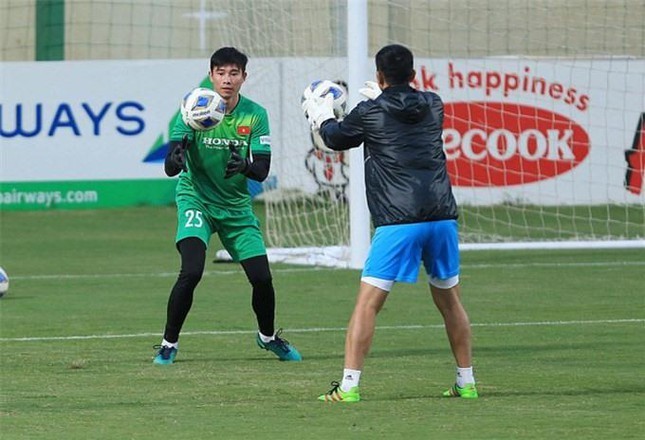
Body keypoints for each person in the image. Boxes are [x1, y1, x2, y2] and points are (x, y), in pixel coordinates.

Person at [301, 44, 477, 401]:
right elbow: (402, 113)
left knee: (367, 304)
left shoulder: (370, 111)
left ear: (379, 76)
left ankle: (348, 388)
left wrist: (321, 115)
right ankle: (467, 381)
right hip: (442, 215)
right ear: (414, 75)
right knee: (451, 302)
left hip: (399, 220)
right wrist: (382, 98)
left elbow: (335, 139)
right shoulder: (433, 104)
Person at [154, 47, 301, 364]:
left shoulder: (254, 114)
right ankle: (168, 344)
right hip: (196, 200)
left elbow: (261, 170)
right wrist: (176, 156)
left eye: (234, 73)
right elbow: (170, 165)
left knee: (262, 278)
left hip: (236, 207)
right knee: (191, 271)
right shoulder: (194, 106)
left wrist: (244, 167)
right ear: (211, 75)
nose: (227, 79)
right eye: (221, 73)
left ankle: (268, 337)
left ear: (244, 77)